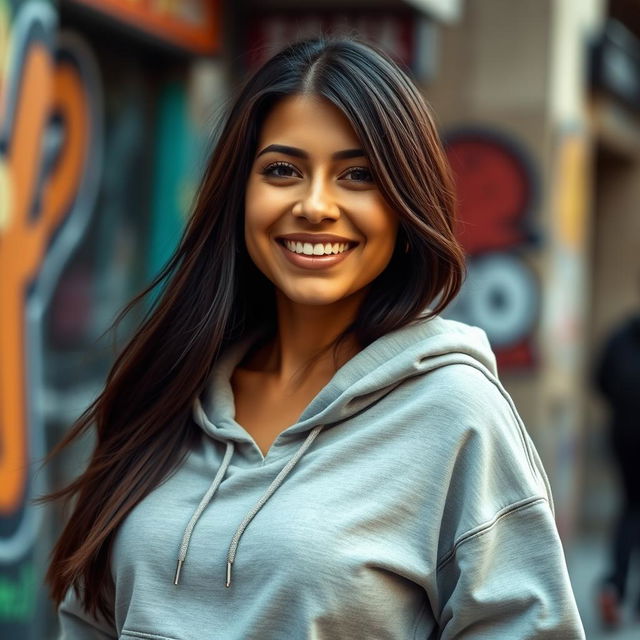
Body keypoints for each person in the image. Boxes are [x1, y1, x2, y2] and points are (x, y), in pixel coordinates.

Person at [44, 37, 585, 639]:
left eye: (357, 175)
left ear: (403, 206)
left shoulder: (455, 412)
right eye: (283, 170)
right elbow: (87, 617)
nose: (316, 205)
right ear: (238, 193)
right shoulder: (167, 386)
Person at [595, 306, 640, 628]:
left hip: (624, 436)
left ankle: (614, 585)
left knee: (630, 509)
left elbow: (598, 380)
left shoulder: (622, 335)